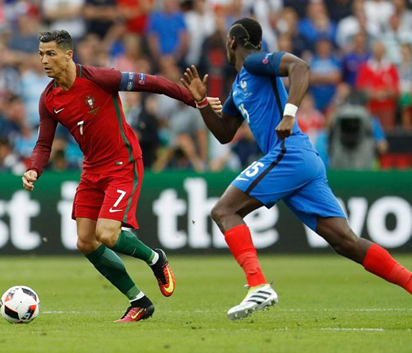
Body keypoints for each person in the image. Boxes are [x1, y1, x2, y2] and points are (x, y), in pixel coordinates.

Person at [180, 17, 412, 321]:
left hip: (288, 152)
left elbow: (300, 67)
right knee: (346, 242)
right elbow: (225, 134)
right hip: (300, 160)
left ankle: (258, 285)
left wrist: (289, 114)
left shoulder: (253, 64)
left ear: (232, 42)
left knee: (224, 210)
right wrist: (201, 103)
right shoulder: (239, 86)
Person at [22, 30, 196, 322]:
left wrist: (194, 101)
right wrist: (33, 168)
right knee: (86, 242)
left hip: (122, 163)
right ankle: (138, 301)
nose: (44, 60)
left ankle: (156, 259)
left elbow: (153, 83)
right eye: (41, 54)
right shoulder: (49, 99)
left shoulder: (100, 78)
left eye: (51, 53)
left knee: (108, 234)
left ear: (68, 54)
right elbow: (43, 144)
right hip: (92, 169)